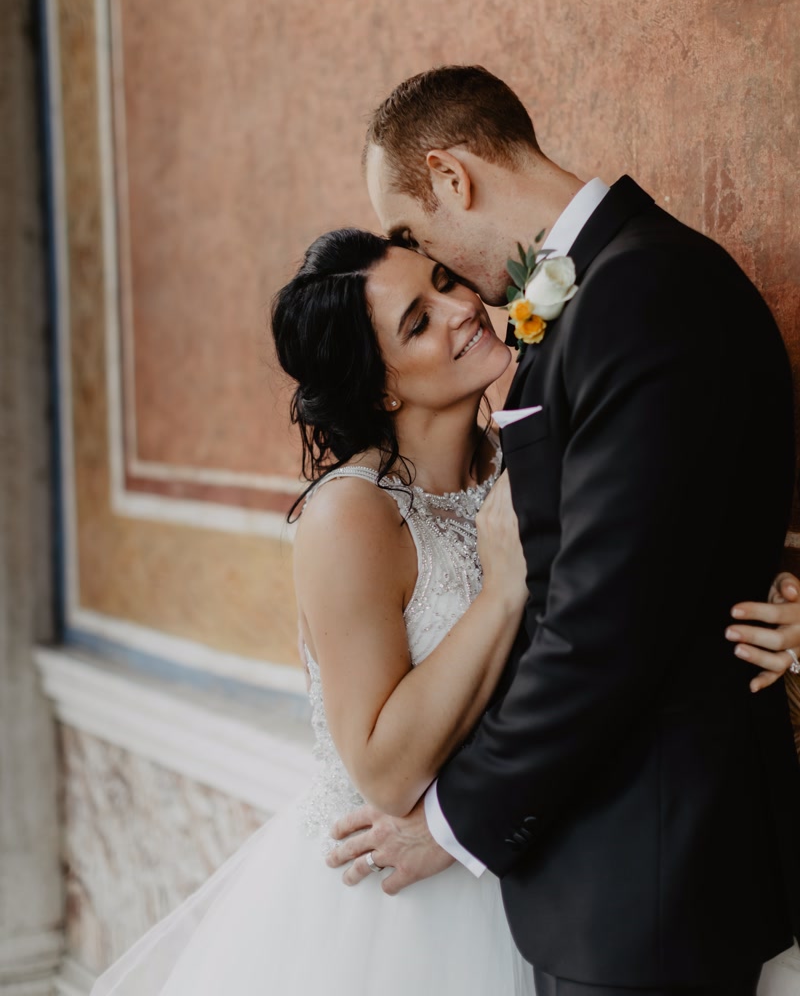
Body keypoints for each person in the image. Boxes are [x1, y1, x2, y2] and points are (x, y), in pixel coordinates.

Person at [89, 224, 800, 995]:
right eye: (418, 321)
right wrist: (501, 593)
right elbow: (384, 770)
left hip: (550, 864)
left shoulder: (527, 456)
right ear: (381, 387)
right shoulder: (351, 516)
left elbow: (607, 621)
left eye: (444, 280)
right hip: (409, 910)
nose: (462, 306)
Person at [327, 65, 800, 996]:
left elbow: (603, 625)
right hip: (609, 866)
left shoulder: (644, 291)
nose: (459, 289)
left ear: (452, 175)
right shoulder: (601, 294)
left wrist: (454, 822)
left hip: (651, 868)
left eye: (422, 240)